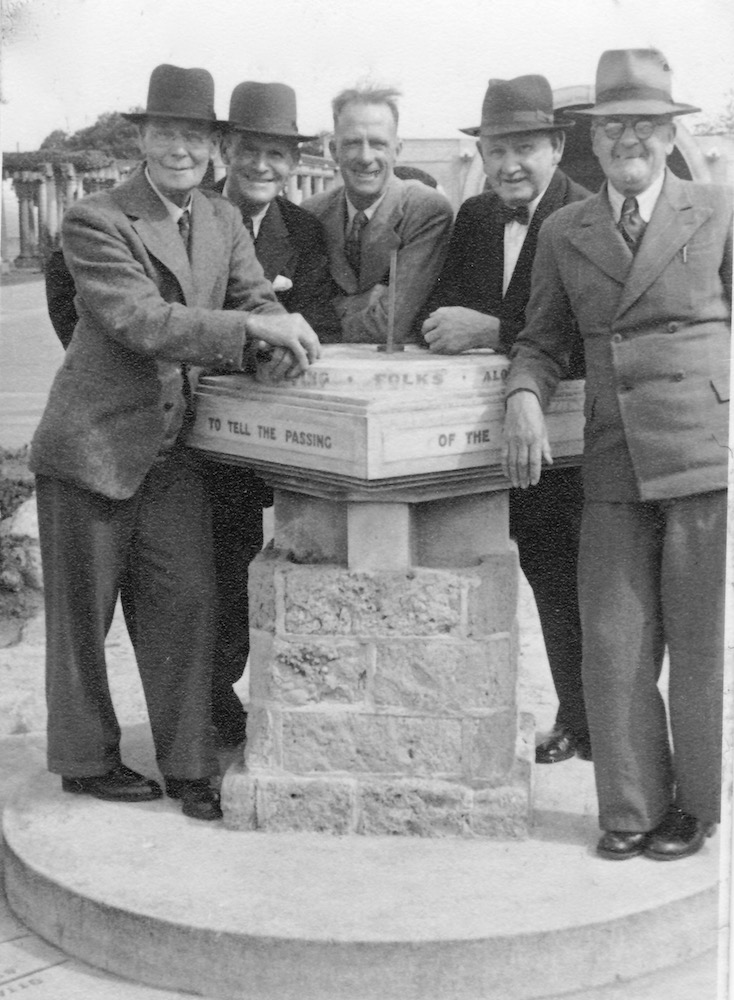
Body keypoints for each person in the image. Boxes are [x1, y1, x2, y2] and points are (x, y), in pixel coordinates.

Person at [30, 64, 320, 822]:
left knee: (186, 603)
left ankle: (190, 764)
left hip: (170, 453)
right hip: (92, 448)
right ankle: (85, 760)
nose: (182, 149)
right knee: (80, 622)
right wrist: (252, 329)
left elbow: (253, 294)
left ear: (214, 145)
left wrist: (273, 337)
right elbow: (141, 321)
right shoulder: (96, 219)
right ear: (144, 138)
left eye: (196, 135)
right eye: (168, 133)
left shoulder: (221, 220)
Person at [502, 49, 731, 860]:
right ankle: (630, 809)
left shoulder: (719, 211)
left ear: (669, 134)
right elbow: (540, 339)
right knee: (614, 641)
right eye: (613, 128)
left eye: (645, 125)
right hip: (612, 456)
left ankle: (694, 810)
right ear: (591, 145)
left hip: (704, 453)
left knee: (699, 642)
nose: (629, 140)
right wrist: (525, 394)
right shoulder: (566, 231)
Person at [421, 75, 591, 765]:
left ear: (555, 146)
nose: (510, 164)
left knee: (568, 582)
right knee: (503, 578)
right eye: (497, 149)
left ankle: (587, 722)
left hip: (565, 435)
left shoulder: (585, 214)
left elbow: (585, 333)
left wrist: (491, 330)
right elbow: (443, 314)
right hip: (480, 439)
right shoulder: (475, 218)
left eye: (525, 146)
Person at [206, 81, 340, 746]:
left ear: (294, 162)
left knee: (294, 559)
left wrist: (289, 354)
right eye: (251, 150)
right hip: (202, 428)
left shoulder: (306, 230)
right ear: (228, 148)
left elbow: (322, 316)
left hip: (280, 427)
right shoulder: (192, 213)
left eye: (277, 155)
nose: (263, 166)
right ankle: (213, 697)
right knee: (216, 567)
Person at [302, 85, 453, 344]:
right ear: (333, 150)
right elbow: (297, 311)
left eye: (378, 144)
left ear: (397, 149)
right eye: (351, 143)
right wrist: (365, 302)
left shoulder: (426, 210)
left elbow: (389, 325)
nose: (365, 157)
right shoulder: (312, 213)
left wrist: (325, 318)